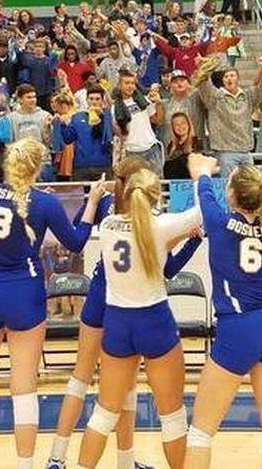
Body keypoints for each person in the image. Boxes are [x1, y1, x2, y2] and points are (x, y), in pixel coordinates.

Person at [0, 139, 105, 469]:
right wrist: (92, 202)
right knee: (24, 388)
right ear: (38, 166)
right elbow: (75, 242)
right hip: (24, 294)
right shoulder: (45, 202)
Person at [73, 167, 203, 469]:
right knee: (172, 416)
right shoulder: (161, 226)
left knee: (104, 413)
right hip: (154, 321)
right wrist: (201, 176)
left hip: (117, 324)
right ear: (155, 197)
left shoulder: (107, 225)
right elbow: (200, 213)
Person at [183, 140, 262, 469]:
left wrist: (203, 170)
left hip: (238, 327)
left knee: (201, 432)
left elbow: (203, 187)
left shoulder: (218, 222)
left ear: (231, 195)